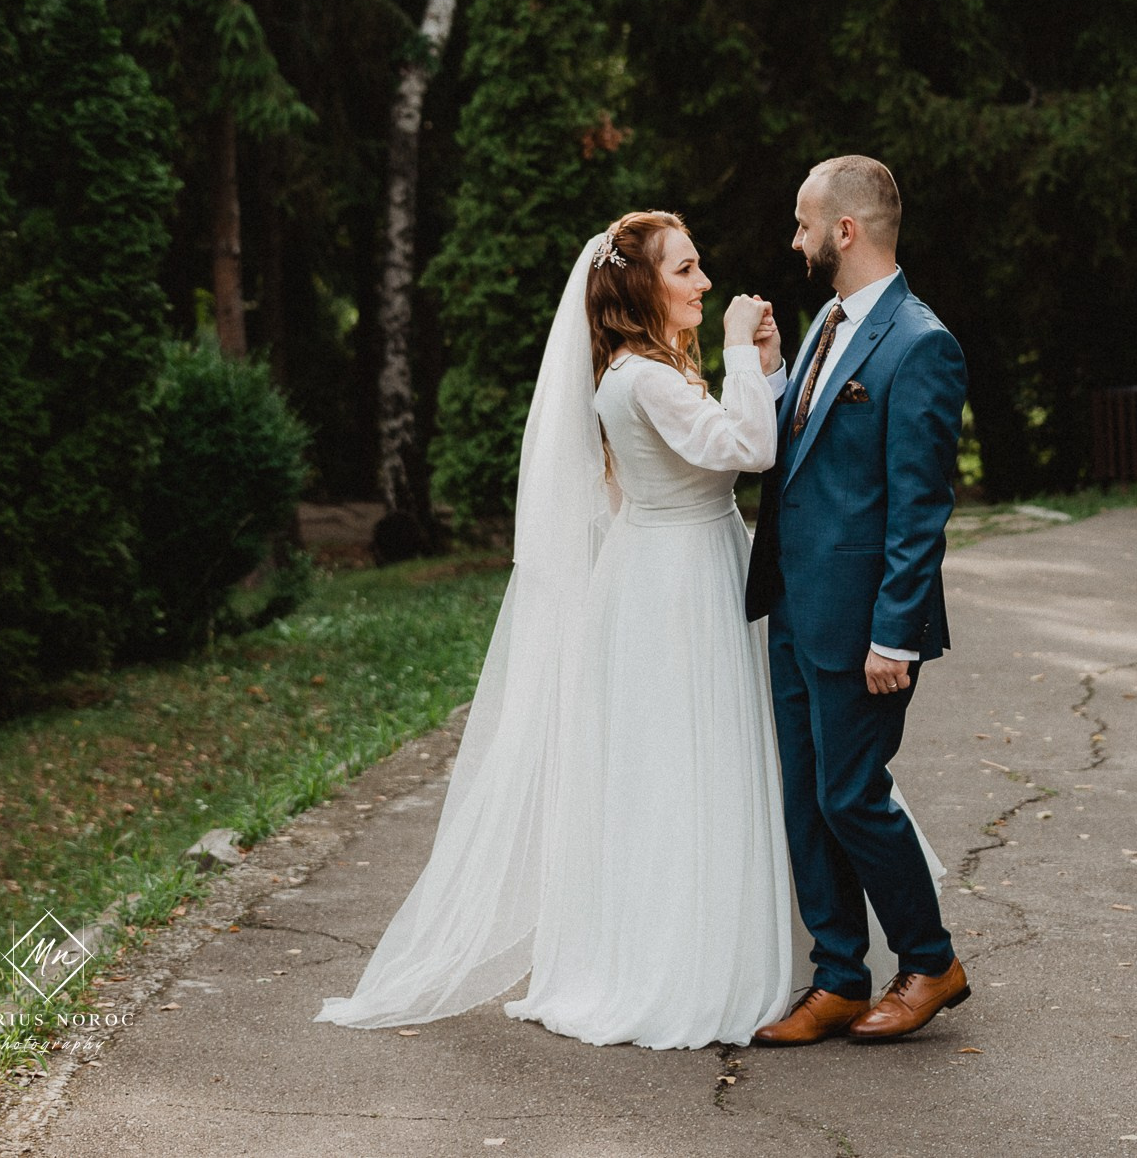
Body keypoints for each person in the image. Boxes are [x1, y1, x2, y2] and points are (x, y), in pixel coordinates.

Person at [317, 210, 795, 1047]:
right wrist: (735, 349)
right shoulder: (642, 379)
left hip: (688, 565)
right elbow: (749, 449)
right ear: (640, 284)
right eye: (686, 269)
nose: (706, 281)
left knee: (699, 759)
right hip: (676, 585)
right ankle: (679, 961)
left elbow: (728, 435)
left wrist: (766, 366)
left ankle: (704, 937)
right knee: (684, 765)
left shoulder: (650, 368)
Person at [745, 155, 971, 1045]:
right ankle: (839, 974)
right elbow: (802, 457)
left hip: (864, 623)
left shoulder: (921, 343)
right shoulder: (826, 323)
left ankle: (931, 960)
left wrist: (895, 635)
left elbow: (920, 508)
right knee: (807, 798)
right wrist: (773, 374)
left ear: (844, 229)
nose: (795, 239)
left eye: (804, 223)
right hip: (796, 608)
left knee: (851, 796)